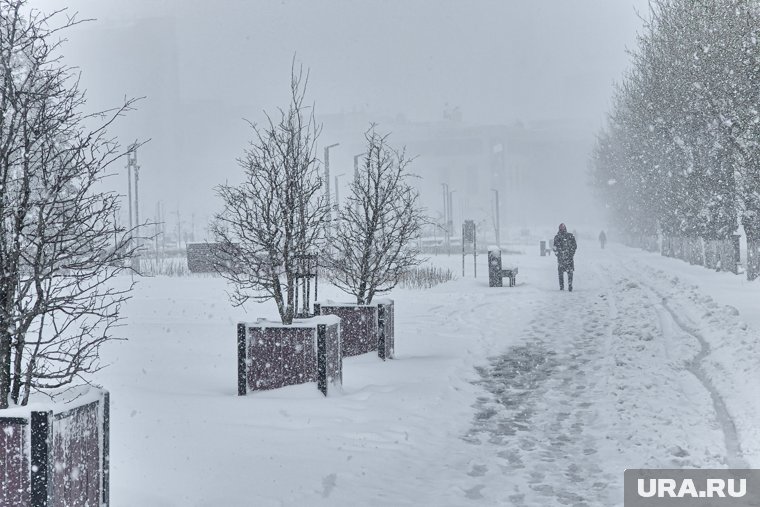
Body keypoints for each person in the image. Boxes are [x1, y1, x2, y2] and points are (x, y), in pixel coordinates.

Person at [553, 223, 577, 291]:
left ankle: (570, 285)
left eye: (563, 227)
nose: (562, 229)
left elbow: (574, 246)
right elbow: (554, 248)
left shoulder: (570, 236)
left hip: (569, 258)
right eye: (561, 228)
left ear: (565, 228)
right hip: (561, 259)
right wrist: (558, 254)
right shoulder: (557, 237)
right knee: (561, 273)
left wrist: (571, 253)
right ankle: (561, 287)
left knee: (570, 273)